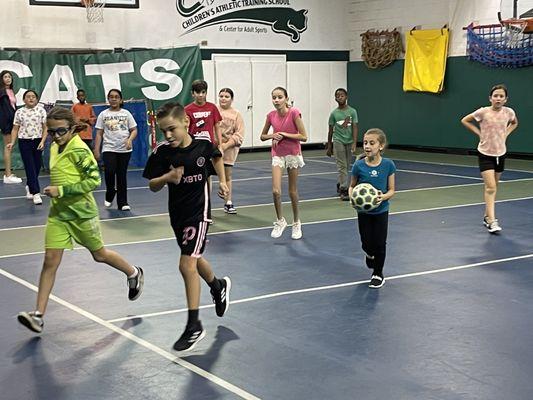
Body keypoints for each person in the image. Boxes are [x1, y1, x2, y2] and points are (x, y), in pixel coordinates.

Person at [17, 107, 143, 333]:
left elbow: (94, 180)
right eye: (52, 132)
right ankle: (38, 315)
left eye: (60, 131)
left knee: (99, 255)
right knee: (50, 261)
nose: (55, 136)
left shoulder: (79, 151)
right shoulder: (55, 147)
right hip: (58, 215)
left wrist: (62, 190)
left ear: (72, 128)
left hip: (82, 215)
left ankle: (133, 272)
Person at [143, 102, 231, 352]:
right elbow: (152, 185)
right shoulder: (163, 152)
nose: (168, 135)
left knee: (186, 264)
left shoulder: (202, 145)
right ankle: (217, 286)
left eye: (172, 129)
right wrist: (167, 178)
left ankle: (194, 325)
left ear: (186, 123)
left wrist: (223, 182)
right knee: (194, 257)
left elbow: (217, 157)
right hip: (177, 215)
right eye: (163, 131)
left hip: (199, 214)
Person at [461, 84, 518, 233]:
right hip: (485, 153)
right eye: (495, 96)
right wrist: (479, 133)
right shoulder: (483, 112)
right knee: (491, 187)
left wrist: (506, 134)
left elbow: (514, 123)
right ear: (490, 98)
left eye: (501, 96)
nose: (498, 98)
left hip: (500, 153)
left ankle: (486, 216)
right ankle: (492, 221)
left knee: (493, 187)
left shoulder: (509, 112)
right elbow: (465, 120)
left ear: (506, 99)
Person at [349, 128, 396, 289]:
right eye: (365, 143)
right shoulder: (359, 165)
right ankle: (369, 253)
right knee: (366, 242)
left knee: (380, 242)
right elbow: (352, 186)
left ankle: (378, 273)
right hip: (363, 212)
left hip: (381, 210)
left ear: (381, 146)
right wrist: (352, 197)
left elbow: (391, 190)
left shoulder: (388, 165)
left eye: (372, 143)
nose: (367, 146)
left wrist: (382, 197)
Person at [260, 86, 307, 240]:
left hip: (292, 154)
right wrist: (273, 135)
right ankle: (280, 221)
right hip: (277, 155)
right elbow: (262, 136)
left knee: (292, 191)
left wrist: (283, 135)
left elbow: (303, 136)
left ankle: (296, 222)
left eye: (280, 97)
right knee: (276, 191)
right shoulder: (271, 115)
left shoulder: (294, 113)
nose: (276, 100)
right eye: (274, 97)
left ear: (286, 98)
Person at [94, 89, 137, 211]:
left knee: (121, 175)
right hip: (109, 148)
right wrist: (96, 149)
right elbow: (99, 133)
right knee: (110, 171)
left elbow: (134, 130)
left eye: (116, 97)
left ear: (120, 100)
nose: (113, 99)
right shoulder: (103, 114)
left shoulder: (126, 113)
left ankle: (122, 202)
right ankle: (110, 192)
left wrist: (129, 140)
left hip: (124, 150)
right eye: (111, 97)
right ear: (108, 99)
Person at [6, 90, 47, 204]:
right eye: (28, 97)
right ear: (24, 99)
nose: (31, 99)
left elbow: (45, 128)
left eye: (33, 97)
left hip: (38, 141)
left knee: (37, 166)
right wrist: (12, 142)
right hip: (24, 142)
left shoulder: (41, 110)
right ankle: (36, 193)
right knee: (29, 166)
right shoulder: (19, 112)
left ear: (37, 99)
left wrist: (43, 141)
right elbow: (15, 129)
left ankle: (29, 185)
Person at [326, 88, 358, 201]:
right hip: (338, 141)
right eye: (338, 96)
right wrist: (329, 146)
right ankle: (344, 190)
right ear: (335, 98)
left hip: (349, 142)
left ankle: (340, 183)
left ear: (346, 97)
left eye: (342, 95)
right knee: (342, 166)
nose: (340, 97)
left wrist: (354, 142)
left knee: (347, 165)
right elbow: (330, 131)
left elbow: (354, 127)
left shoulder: (352, 111)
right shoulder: (334, 114)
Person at [217, 87, 244, 214]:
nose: (223, 98)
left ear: (232, 99)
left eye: (226, 96)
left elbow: (239, 134)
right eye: (221, 96)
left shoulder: (236, 114)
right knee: (207, 176)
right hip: (213, 149)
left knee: (227, 176)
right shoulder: (214, 110)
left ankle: (228, 202)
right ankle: (206, 206)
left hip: (228, 151)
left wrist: (226, 145)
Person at [0, 70, 22, 184]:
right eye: (5, 77)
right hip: (7, 122)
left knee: (10, 147)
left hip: (13, 121)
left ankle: (8, 173)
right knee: (8, 147)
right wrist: (13, 121)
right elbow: (6, 110)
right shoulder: (2, 91)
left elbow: (14, 107)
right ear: (2, 79)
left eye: (9, 77)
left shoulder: (10, 91)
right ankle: (7, 175)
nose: (8, 79)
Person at [185, 79, 222, 146]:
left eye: (203, 92)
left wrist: (220, 146)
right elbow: (184, 129)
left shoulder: (212, 107)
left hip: (209, 144)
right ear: (192, 93)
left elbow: (217, 127)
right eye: (198, 92)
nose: (201, 95)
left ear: (206, 93)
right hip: (193, 145)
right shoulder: (187, 110)